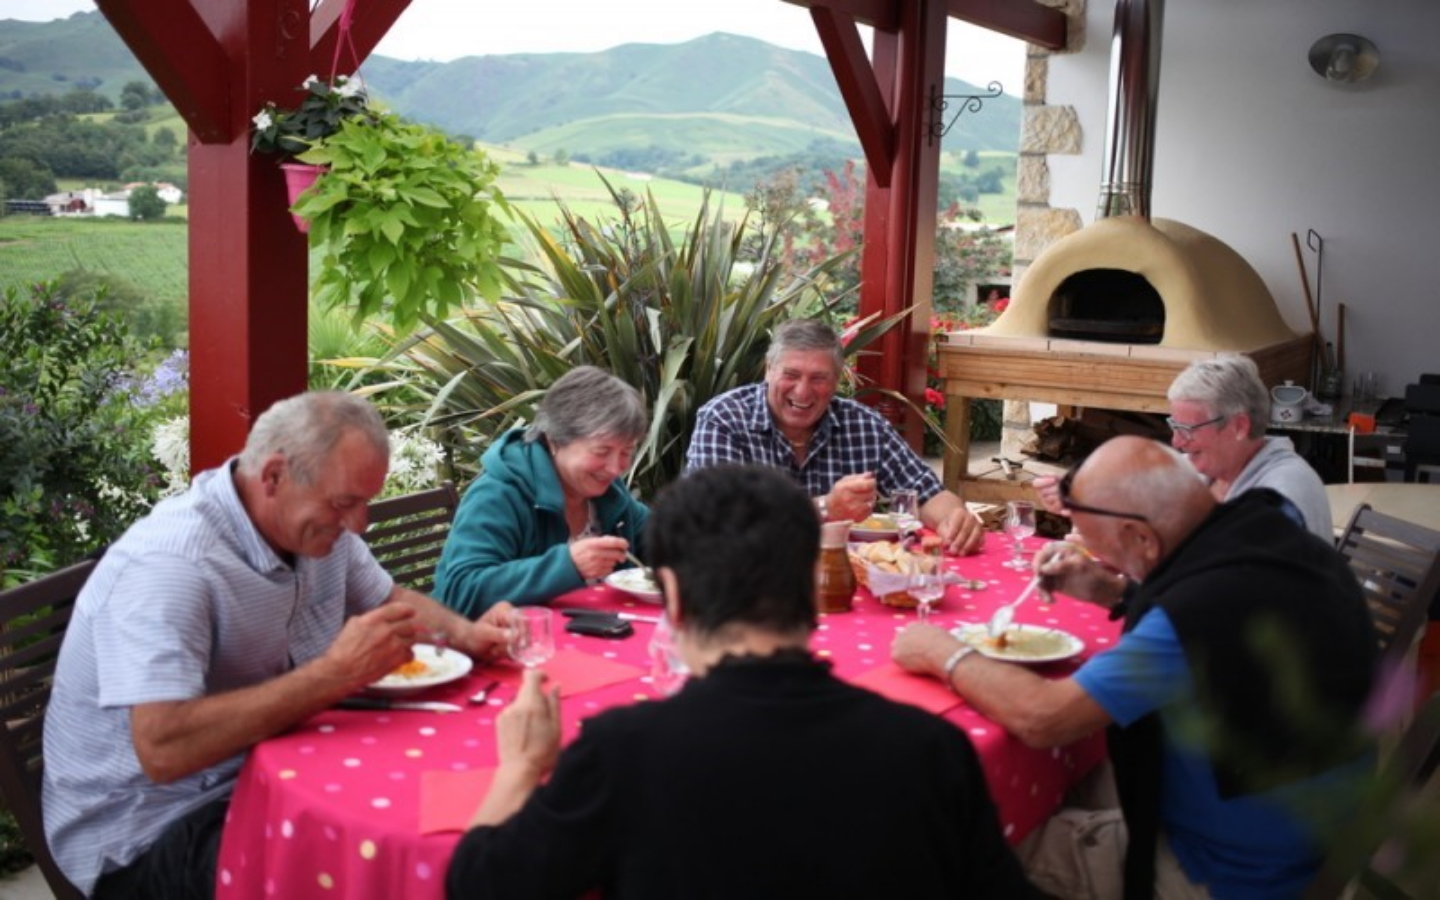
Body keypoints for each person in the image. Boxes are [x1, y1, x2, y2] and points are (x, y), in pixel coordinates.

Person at [445, 465, 1041, 898]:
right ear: (814, 590)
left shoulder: (622, 751)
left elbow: (479, 882)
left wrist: (522, 766)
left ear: (672, 598)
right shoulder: (930, 749)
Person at [42, 391, 514, 899]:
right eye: (344, 503)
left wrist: (470, 636)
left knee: (452, 799)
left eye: (364, 503)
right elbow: (161, 749)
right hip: (145, 834)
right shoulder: (172, 566)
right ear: (272, 477)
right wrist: (335, 674)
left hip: (262, 771)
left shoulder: (314, 533)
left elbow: (389, 600)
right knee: (374, 868)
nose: (359, 525)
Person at [893, 436, 1377, 900]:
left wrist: (942, 652)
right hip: (1321, 827)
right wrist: (1114, 591)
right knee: (1059, 777)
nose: (1096, 554)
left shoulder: (1191, 618)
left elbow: (1043, 718)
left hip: (1236, 874)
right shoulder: (1275, 541)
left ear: (1142, 537)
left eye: (1100, 546)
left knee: (970, 830)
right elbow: (1200, 617)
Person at [684, 317, 985, 555]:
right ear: (768, 370)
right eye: (791, 374)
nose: (802, 391)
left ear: (837, 380)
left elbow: (928, 494)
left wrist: (955, 520)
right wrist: (825, 508)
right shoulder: (724, 418)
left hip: (840, 580)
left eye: (818, 378)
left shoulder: (862, 425)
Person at [1034, 354, 1332, 540]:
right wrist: (1079, 494)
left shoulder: (1282, 493)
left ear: (1239, 426)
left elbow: (1232, 591)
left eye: (1188, 429)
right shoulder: (1213, 471)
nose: (1177, 442)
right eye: (1175, 427)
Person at [435, 365, 651, 616]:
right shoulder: (500, 493)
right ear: (554, 440)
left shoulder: (609, 493)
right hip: (499, 648)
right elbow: (460, 592)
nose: (616, 468)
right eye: (601, 452)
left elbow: (662, 537)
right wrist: (568, 566)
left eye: (626, 452)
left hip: (588, 637)